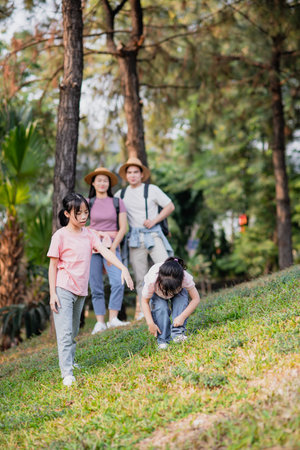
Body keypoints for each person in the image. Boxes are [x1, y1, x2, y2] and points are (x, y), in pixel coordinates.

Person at [47, 193, 134, 387]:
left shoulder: (89, 234)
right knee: (64, 332)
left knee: (73, 331)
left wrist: (123, 268)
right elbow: (52, 266)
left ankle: (70, 361)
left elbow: (105, 252)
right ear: (68, 214)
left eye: (86, 212)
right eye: (79, 213)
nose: (84, 216)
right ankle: (67, 373)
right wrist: (53, 293)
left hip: (80, 290)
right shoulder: (59, 236)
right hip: (63, 288)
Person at [115, 157, 175, 319]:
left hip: (153, 234)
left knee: (166, 268)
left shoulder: (152, 190)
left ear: (142, 174)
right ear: (126, 175)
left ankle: (170, 301)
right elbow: (111, 212)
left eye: (136, 172)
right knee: (140, 276)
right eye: (129, 172)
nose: (133, 175)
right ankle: (144, 310)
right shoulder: (121, 194)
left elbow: (170, 206)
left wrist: (155, 220)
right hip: (134, 238)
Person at [84, 167, 129, 334]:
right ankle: (100, 322)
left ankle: (113, 319)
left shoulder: (117, 202)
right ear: (93, 183)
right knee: (95, 285)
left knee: (118, 281)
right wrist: (92, 234)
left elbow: (123, 227)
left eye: (105, 180)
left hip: (111, 245)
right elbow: (80, 224)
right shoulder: (88, 203)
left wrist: (112, 246)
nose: (102, 183)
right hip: (94, 246)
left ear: (109, 183)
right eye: (99, 180)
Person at [141, 257, 200, 350]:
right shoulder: (152, 280)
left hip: (178, 291)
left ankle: (178, 334)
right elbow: (144, 301)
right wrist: (150, 323)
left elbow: (196, 299)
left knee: (181, 300)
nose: (167, 294)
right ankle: (163, 340)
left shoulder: (185, 278)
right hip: (157, 293)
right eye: (165, 289)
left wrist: (182, 317)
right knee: (161, 308)